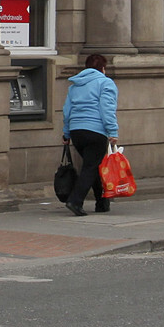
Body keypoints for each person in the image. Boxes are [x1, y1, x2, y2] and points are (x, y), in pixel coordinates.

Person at [61, 53, 120, 217]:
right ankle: (75, 201)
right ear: (103, 68)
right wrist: (113, 131)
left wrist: (66, 133)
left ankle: (102, 202)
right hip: (96, 131)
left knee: (92, 165)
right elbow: (107, 109)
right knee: (90, 167)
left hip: (77, 131)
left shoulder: (75, 85)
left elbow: (67, 111)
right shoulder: (105, 83)